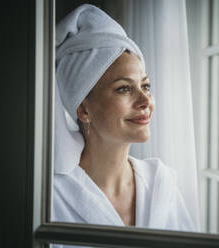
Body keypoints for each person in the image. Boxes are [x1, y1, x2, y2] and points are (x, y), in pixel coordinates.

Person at [52, 4, 195, 233]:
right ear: (83, 109)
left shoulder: (161, 183)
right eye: (124, 89)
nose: (145, 101)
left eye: (146, 86)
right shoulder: (50, 197)